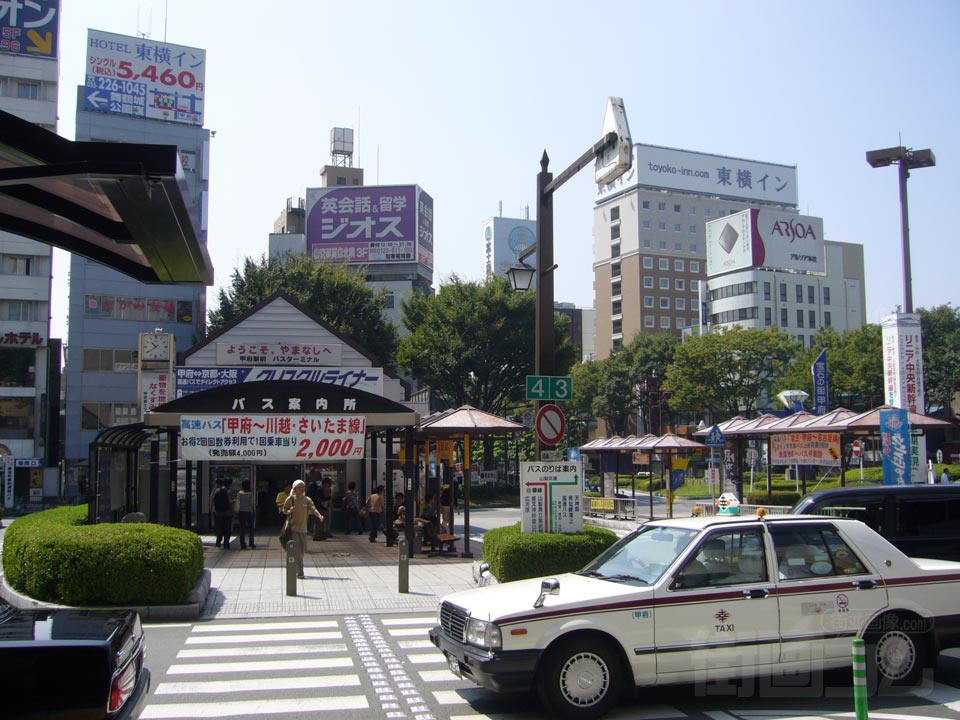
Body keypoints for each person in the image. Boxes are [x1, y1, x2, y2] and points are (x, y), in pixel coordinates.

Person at [282, 479, 323, 579]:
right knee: (297, 551)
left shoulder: (307, 499)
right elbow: (284, 511)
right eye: (299, 487)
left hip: (303, 529)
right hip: (293, 528)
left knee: (302, 550)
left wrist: (319, 515)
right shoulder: (290, 499)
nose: (302, 489)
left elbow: (313, 509)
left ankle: (297, 568)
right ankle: (300, 572)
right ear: (294, 489)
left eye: (303, 487)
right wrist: (289, 511)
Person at [211, 480, 234, 549]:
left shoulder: (217, 490)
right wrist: (232, 510)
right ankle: (226, 543)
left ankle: (218, 542)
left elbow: (213, 500)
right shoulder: (229, 491)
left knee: (219, 527)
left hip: (218, 512)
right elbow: (230, 502)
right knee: (227, 528)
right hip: (227, 512)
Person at [236, 479, 256, 549]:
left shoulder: (239, 493)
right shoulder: (250, 494)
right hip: (249, 512)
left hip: (241, 512)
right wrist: (254, 509)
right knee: (251, 528)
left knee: (242, 528)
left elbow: (237, 502)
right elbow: (252, 503)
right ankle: (251, 543)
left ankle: (242, 544)